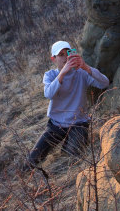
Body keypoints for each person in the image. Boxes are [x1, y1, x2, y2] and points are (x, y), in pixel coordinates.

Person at [26, 40, 110, 168]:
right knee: (32, 160)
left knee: (72, 159)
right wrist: (63, 73)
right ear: (53, 59)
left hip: (79, 123)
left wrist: (86, 67)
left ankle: (67, 145)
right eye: (61, 55)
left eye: (67, 53)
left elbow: (104, 83)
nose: (65, 57)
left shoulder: (81, 73)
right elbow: (49, 94)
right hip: (56, 124)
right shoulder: (50, 75)